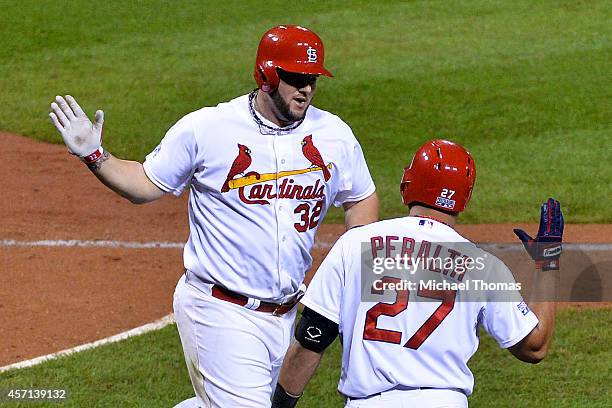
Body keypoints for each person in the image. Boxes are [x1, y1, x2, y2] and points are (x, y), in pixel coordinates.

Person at [49, 24, 379, 408]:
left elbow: (361, 198)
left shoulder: (333, 133)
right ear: (267, 74)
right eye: (294, 78)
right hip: (219, 312)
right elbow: (145, 184)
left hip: (288, 316)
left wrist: (353, 269)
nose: (305, 88)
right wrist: (95, 155)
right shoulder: (208, 128)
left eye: (311, 79)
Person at [272, 139, 563, 408]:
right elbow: (534, 347)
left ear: (408, 184)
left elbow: (313, 337)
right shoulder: (482, 265)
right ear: (464, 198)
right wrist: (547, 263)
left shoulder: (355, 244)